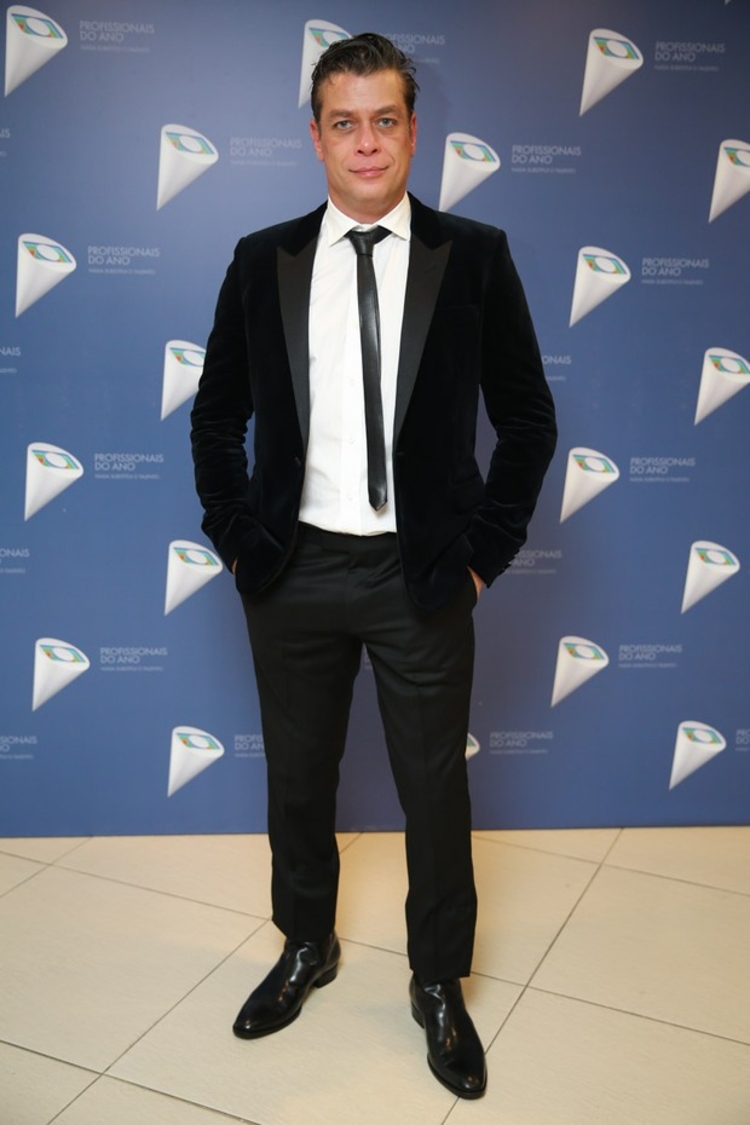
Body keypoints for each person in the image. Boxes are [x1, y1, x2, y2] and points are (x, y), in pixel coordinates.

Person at [190, 32, 556, 1099]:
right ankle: (306, 944)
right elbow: (215, 417)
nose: (365, 142)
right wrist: (240, 541)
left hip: (422, 577)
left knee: (434, 791)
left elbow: (528, 420)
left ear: (412, 130)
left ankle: (438, 981)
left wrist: (482, 556)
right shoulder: (262, 259)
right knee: (298, 780)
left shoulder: (473, 255)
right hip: (291, 571)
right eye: (343, 122)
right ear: (315, 136)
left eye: (384, 120)